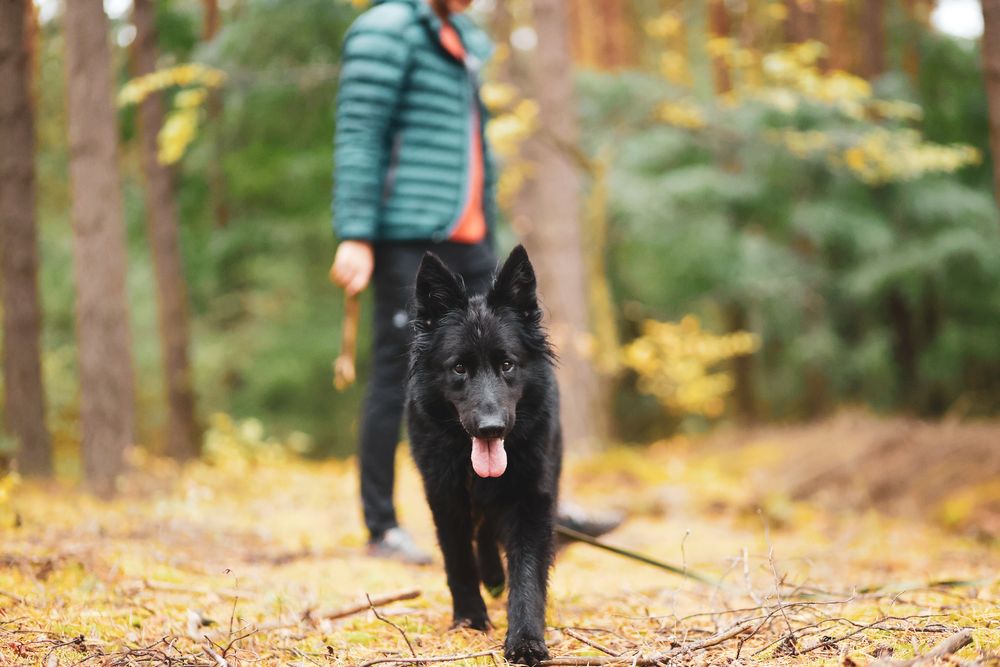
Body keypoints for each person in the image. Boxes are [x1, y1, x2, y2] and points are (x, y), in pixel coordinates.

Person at [330, 0, 620, 564]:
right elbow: (360, 132)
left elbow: (471, 150)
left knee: (520, 365)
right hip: (407, 233)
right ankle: (383, 526)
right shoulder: (386, 30)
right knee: (400, 375)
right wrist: (356, 233)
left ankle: (539, 499)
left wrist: (490, 221)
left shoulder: (461, 34)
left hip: (471, 233)